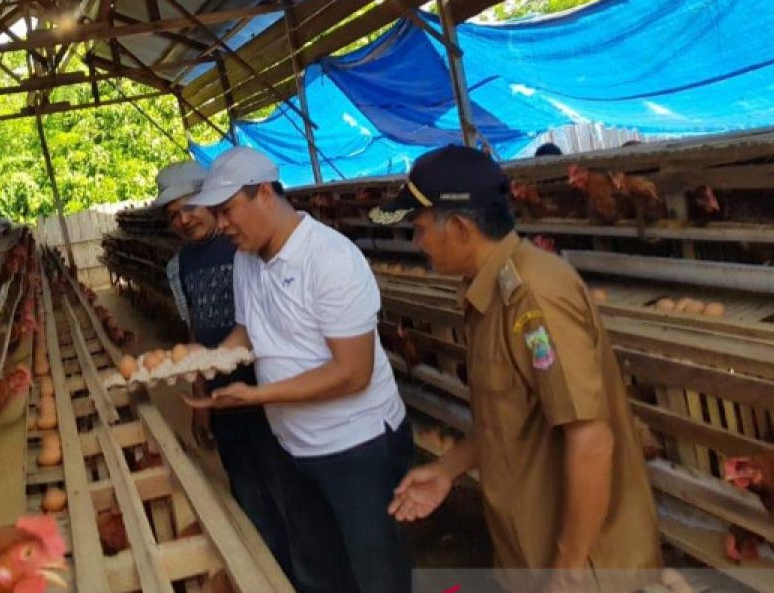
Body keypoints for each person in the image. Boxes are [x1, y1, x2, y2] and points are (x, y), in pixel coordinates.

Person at [376, 146, 662, 593]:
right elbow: (512, 417)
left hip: (585, 567)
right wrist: (448, 468)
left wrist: (568, 570)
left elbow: (590, 438)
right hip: (528, 550)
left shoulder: (533, 297)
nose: (417, 242)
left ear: (460, 227)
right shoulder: (489, 292)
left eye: (420, 228)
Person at [183, 147, 413, 593]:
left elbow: (353, 373)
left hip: (357, 447)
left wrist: (255, 396)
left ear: (264, 192)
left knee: (378, 574)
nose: (223, 224)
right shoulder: (246, 260)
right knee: (318, 573)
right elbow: (246, 334)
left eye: (228, 211)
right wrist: (205, 361)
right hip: (293, 445)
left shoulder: (329, 258)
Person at [153, 161, 292, 580]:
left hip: (271, 387)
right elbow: (194, 326)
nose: (183, 219)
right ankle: (267, 576)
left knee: (288, 491)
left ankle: (296, 577)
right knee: (248, 494)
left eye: (189, 206)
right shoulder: (179, 266)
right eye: (172, 214)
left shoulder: (246, 243)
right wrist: (202, 398)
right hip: (222, 393)